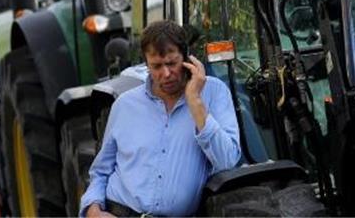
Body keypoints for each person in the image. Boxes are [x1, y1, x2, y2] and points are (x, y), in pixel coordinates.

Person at [79, 20, 241, 217]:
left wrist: (195, 101)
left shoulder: (214, 93)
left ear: (187, 58)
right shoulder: (124, 105)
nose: (165, 74)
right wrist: (92, 209)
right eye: (156, 66)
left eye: (172, 63)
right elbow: (100, 171)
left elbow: (227, 162)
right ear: (146, 64)